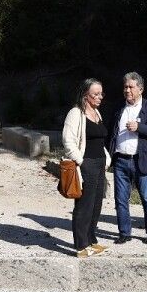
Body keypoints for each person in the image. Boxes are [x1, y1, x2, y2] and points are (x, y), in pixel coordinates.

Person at [108, 71, 147, 244]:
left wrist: (140, 127)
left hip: (142, 160)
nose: (127, 90)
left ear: (141, 89)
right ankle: (124, 233)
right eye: (125, 87)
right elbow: (111, 132)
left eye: (131, 87)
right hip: (121, 160)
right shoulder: (118, 107)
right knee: (120, 199)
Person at [61, 78, 112, 257]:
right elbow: (68, 141)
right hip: (86, 164)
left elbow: (99, 141)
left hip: (99, 164)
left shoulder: (97, 113)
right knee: (84, 205)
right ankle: (81, 246)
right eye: (95, 94)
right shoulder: (75, 114)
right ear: (85, 95)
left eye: (101, 93)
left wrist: (106, 159)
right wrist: (81, 161)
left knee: (96, 204)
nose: (100, 97)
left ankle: (91, 240)